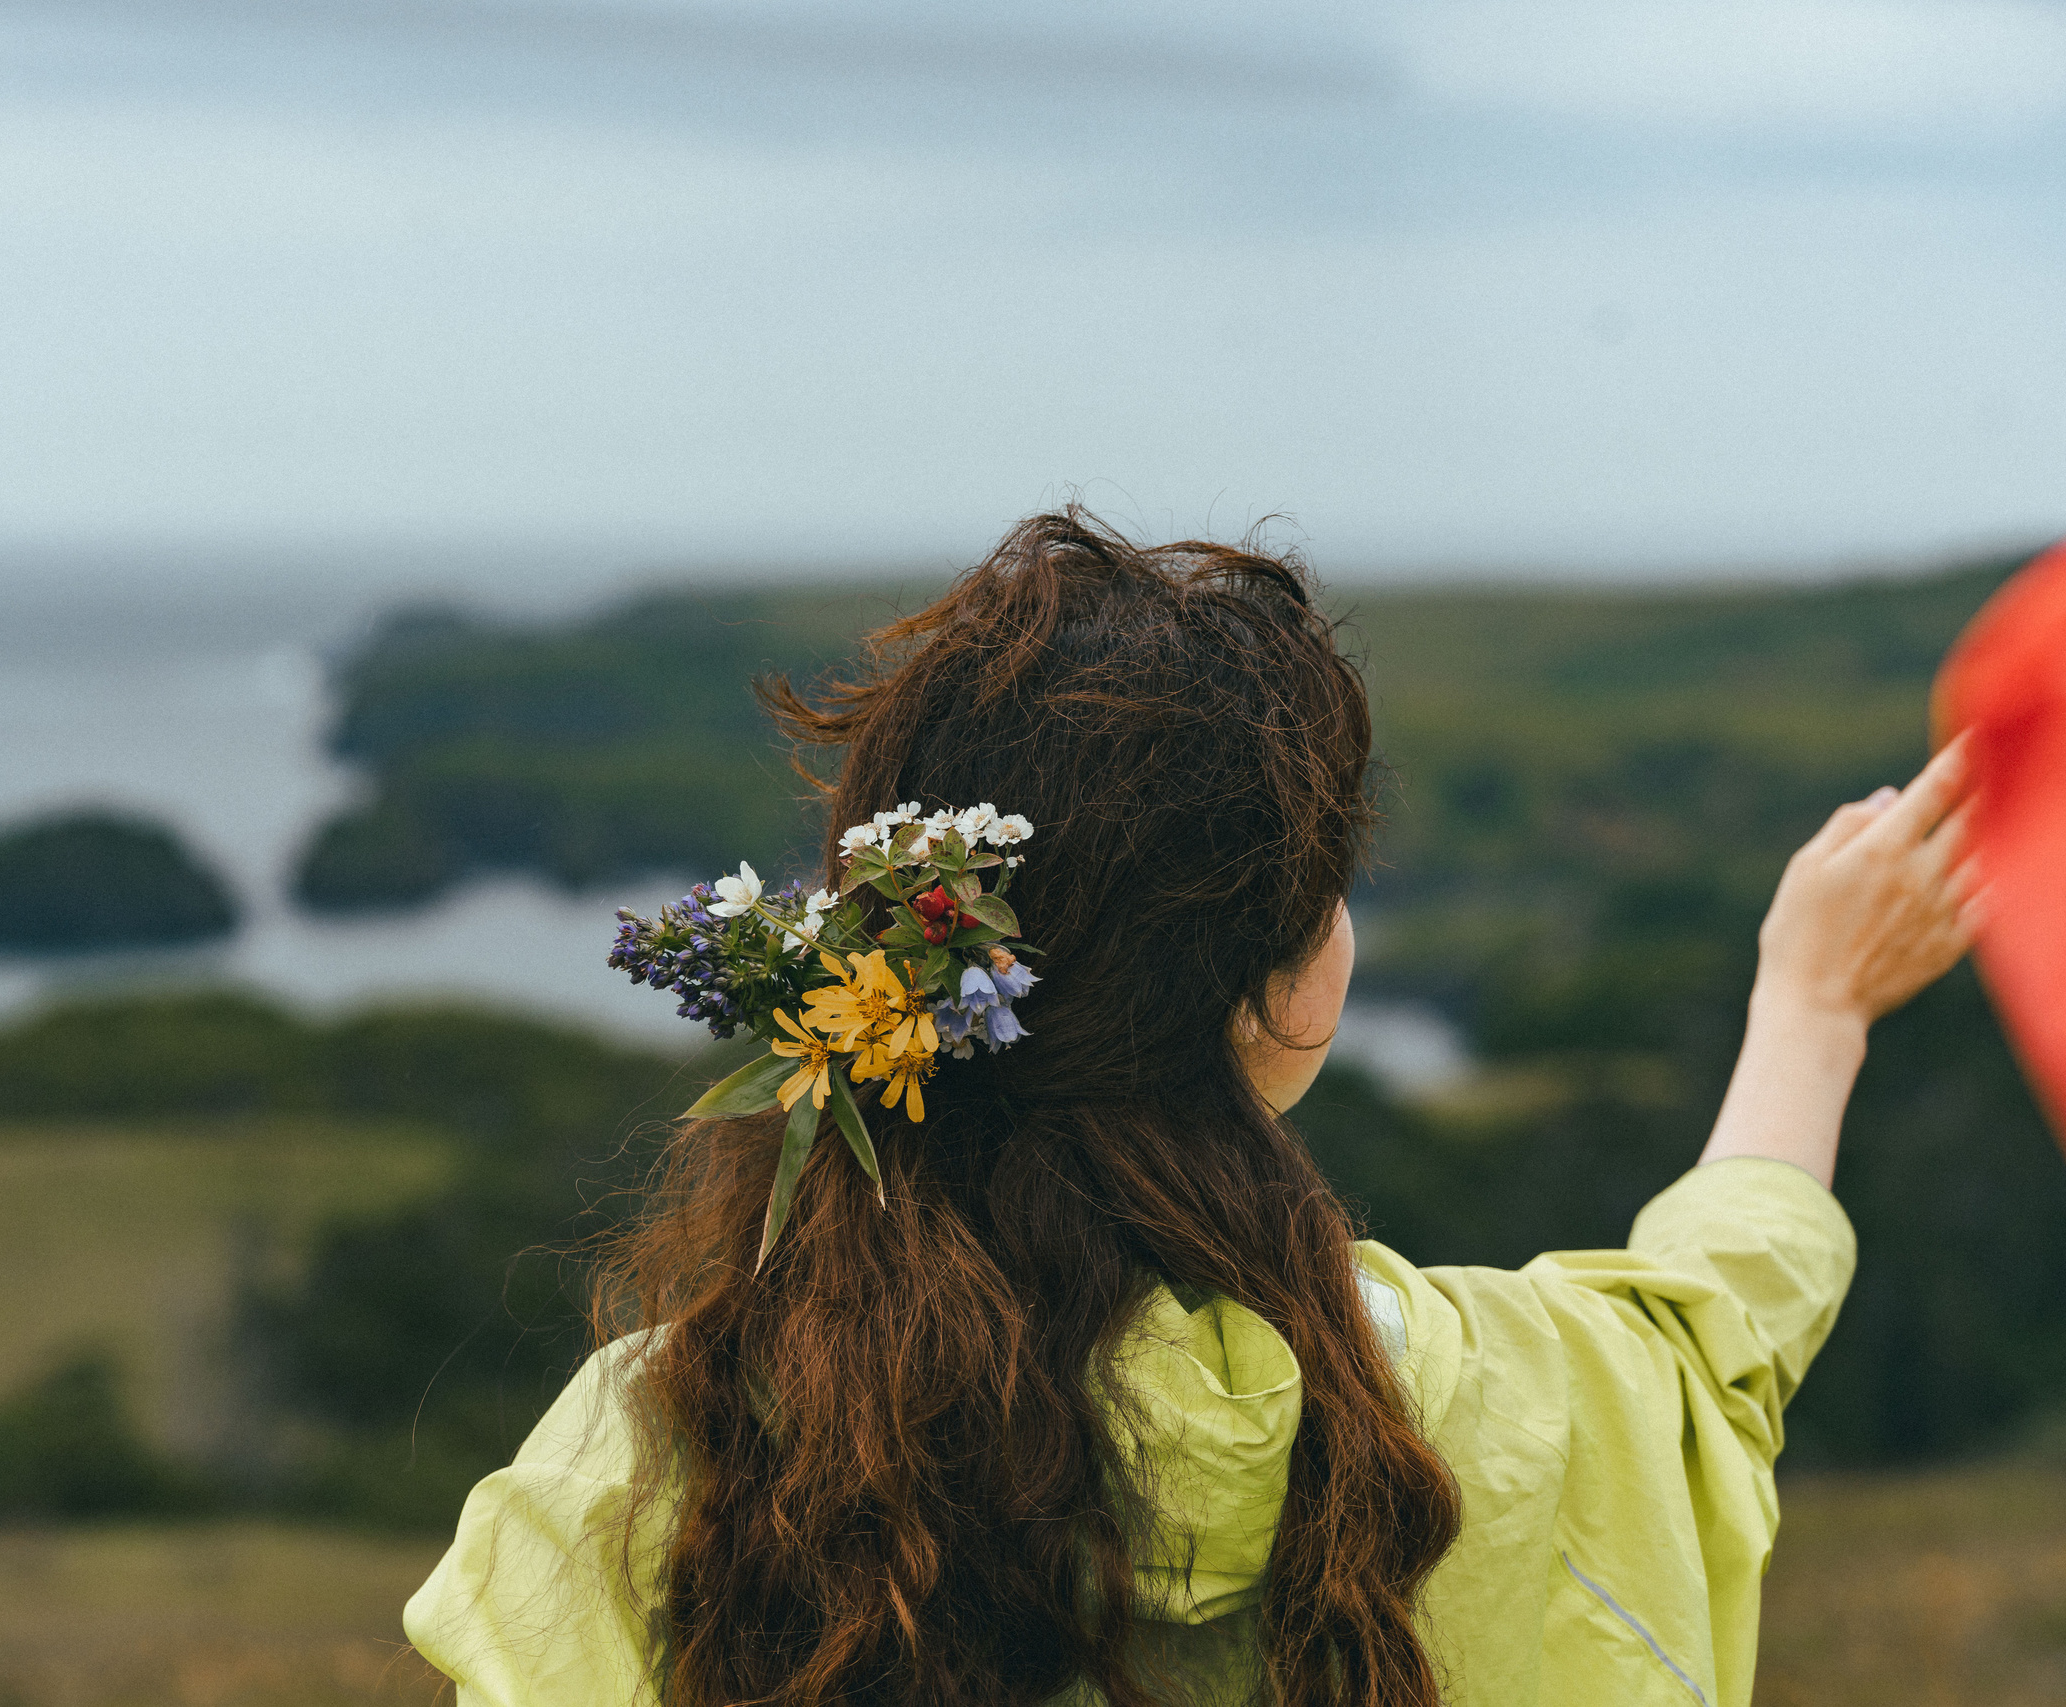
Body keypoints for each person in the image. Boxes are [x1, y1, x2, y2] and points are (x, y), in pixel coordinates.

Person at [403, 510, 1977, 1706]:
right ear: (1286, 994)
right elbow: (1709, 1342)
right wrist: (1815, 1007)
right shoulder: (1486, 1406)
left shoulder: (649, 1458)